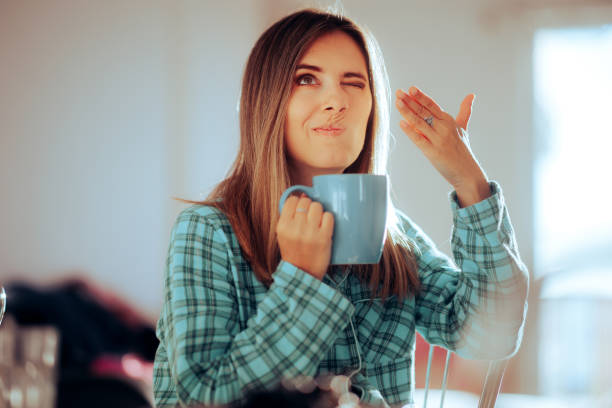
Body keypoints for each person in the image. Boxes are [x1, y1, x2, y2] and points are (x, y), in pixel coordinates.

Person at [153, 8, 529, 408]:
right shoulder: (208, 232)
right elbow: (206, 394)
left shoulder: (392, 234)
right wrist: (301, 279)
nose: (336, 101)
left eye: (354, 83)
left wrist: (470, 183)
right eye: (307, 79)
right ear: (266, 100)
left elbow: (492, 334)